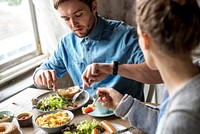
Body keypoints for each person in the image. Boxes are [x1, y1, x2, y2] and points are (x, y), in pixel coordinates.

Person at [83, 0, 200, 134]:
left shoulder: (183, 117)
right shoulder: (187, 81)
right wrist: (124, 105)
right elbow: (163, 122)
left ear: (145, 39)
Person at [33, 0, 162, 100]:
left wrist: (113, 68)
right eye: (66, 19)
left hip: (124, 117)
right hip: (86, 118)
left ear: (94, 6)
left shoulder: (125, 36)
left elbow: (158, 74)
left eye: (78, 15)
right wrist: (42, 75)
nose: (73, 24)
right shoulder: (66, 43)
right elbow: (39, 76)